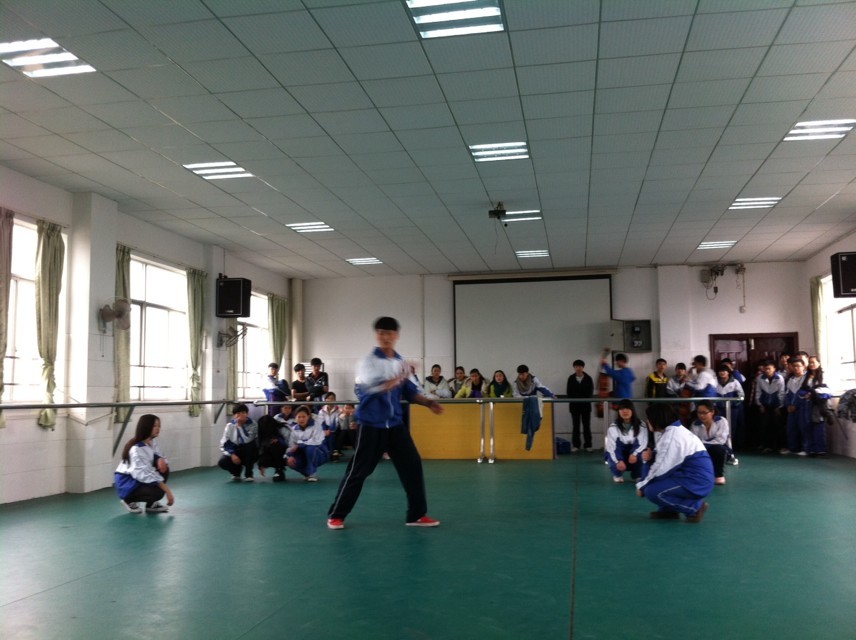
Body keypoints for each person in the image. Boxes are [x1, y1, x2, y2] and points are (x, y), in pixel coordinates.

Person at [327, 316, 443, 530]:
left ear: (396, 335)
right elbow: (369, 390)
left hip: (395, 426)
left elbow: (409, 391)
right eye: (380, 333)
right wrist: (399, 377)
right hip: (371, 425)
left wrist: (428, 402)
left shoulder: (400, 362)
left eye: (388, 333)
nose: (384, 337)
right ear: (376, 335)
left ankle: (416, 515)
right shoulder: (368, 362)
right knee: (358, 471)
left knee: (412, 466)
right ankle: (337, 514)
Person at [637, 404, 714, 522]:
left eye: (649, 419)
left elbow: (660, 470)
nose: (647, 422)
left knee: (651, 491)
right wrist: (648, 460)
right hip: (691, 477)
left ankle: (695, 508)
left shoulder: (672, 436)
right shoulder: (670, 432)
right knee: (655, 483)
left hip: (698, 481)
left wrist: (642, 486)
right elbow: (657, 461)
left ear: (656, 419)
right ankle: (669, 511)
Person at [114, 414, 174, 514]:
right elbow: (146, 474)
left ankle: (151, 505)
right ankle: (128, 500)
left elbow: (160, 456)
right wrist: (168, 491)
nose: (158, 428)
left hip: (136, 478)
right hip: (127, 482)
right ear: (146, 427)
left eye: (159, 426)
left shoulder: (152, 442)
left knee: (164, 469)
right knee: (158, 492)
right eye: (154, 426)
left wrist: (159, 459)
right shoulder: (136, 449)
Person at [605, 399, 648, 483]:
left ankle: (638, 475)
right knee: (610, 455)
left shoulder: (641, 425)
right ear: (618, 412)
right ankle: (617, 474)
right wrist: (618, 461)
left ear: (632, 410)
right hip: (621, 456)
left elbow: (643, 442)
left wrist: (634, 454)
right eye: (622, 409)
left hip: (634, 455)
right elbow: (611, 448)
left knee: (643, 454)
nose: (625, 411)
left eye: (627, 408)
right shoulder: (613, 427)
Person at [690, 400, 729, 485]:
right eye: (699, 413)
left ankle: (719, 475)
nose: (701, 415)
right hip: (702, 449)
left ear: (712, 412)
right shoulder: (695, 425)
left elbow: (721, 440)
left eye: (704, 413)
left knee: (718, 449)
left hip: (718, 448)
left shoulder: (721, 421)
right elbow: (693, 442)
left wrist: (705, 444)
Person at [286, 405, 329, 482]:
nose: (301, 419)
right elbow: (291, 445)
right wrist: (290, 455)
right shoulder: (293, 429)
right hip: (303, 453)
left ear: (308, 417)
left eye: (304, 416)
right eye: (299, 417)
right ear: (295, 418)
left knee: (310, 448)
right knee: (290, 460)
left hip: (320, 453)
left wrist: (299, 444)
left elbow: (316, 442)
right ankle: (307, 473)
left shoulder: (316, 425)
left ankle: (312, 473)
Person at [218, 403, 259, 481]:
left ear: (247, 414)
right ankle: (236, 472)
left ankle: (249, 474)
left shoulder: (253, 424)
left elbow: (247, 440)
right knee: (222, 462)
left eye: (243, 413)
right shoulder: (229, 426)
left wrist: (239, 426)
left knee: (249, 446)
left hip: (249, 451)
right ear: (234, 415)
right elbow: (224, 443)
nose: (241, 415)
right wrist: (232, 454)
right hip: (235, 450)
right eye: (238, 413)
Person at [714, 363, 745, 464]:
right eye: (720, 371)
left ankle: (730, 450)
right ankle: (722, 449)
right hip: (719, 410)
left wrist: (734, 403)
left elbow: (741, 395)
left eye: (724, 371)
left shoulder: (735, 382)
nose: (722, 373)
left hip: (732, 410)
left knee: (731, 429)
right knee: (719, 429)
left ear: (728, 372)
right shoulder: (715, 382)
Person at [755, 359, 786, 453]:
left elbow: (781, 393)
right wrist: (760, 404)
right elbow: (758, 392)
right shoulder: (760, 378)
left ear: (774, 369)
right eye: (765, 369)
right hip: (765, 405)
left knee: (778, 426)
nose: (767, 370)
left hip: (776, 406)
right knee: (765, 426)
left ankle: (780, 446)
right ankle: (767, 446)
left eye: (769, 368)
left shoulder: (779, 378)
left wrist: (779, 406)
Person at [784, 357, 811, 455]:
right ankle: (793, 448)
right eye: (794, 366)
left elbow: (805, 394)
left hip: (802, 408)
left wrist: (796, 405)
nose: (796, 368)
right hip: (791, 408)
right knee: (791, 428)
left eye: (798, 366)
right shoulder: (790, 379)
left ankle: (806, 448)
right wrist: (788, 405)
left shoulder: (807, 378)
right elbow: (787, 393)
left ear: (804, 366)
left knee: (804, 428)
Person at [566, 359, 594, 452]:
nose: (578, 368)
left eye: (580, 366)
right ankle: (576, 445)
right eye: (576, 367)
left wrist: (583, 398)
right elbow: (569, 392)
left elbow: (590, 392)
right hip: (574, 406)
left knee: (587, 426)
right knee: (575, 426)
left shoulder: (588, 378)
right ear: (574, 368)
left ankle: (588, 445)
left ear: (583, 367)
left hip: (586, 406)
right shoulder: (571, 378)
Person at [257, 414, 288, 482]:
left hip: (286, 454)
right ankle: (277, 469)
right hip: (270, 453)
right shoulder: (261, 435)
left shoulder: (283, 429)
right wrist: (261, 464)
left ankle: (279, 469)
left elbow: (289, 442)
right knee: (263, 459)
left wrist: (279, 440)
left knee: (275, 446)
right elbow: (261, 448)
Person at [318, 391, 342, 460]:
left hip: (334, 428)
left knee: (332, 437)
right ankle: (326, 453)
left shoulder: (338, 410)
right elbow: (321, 422)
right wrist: (325, 430)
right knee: (323, 437)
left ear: (334, 400)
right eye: (328, 398)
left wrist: (330, 430)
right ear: (325, 400)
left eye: (332, 398)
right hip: (324, 428)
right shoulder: (321, 410)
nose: (330, 400)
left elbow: (336, 422)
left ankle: (331, 453)